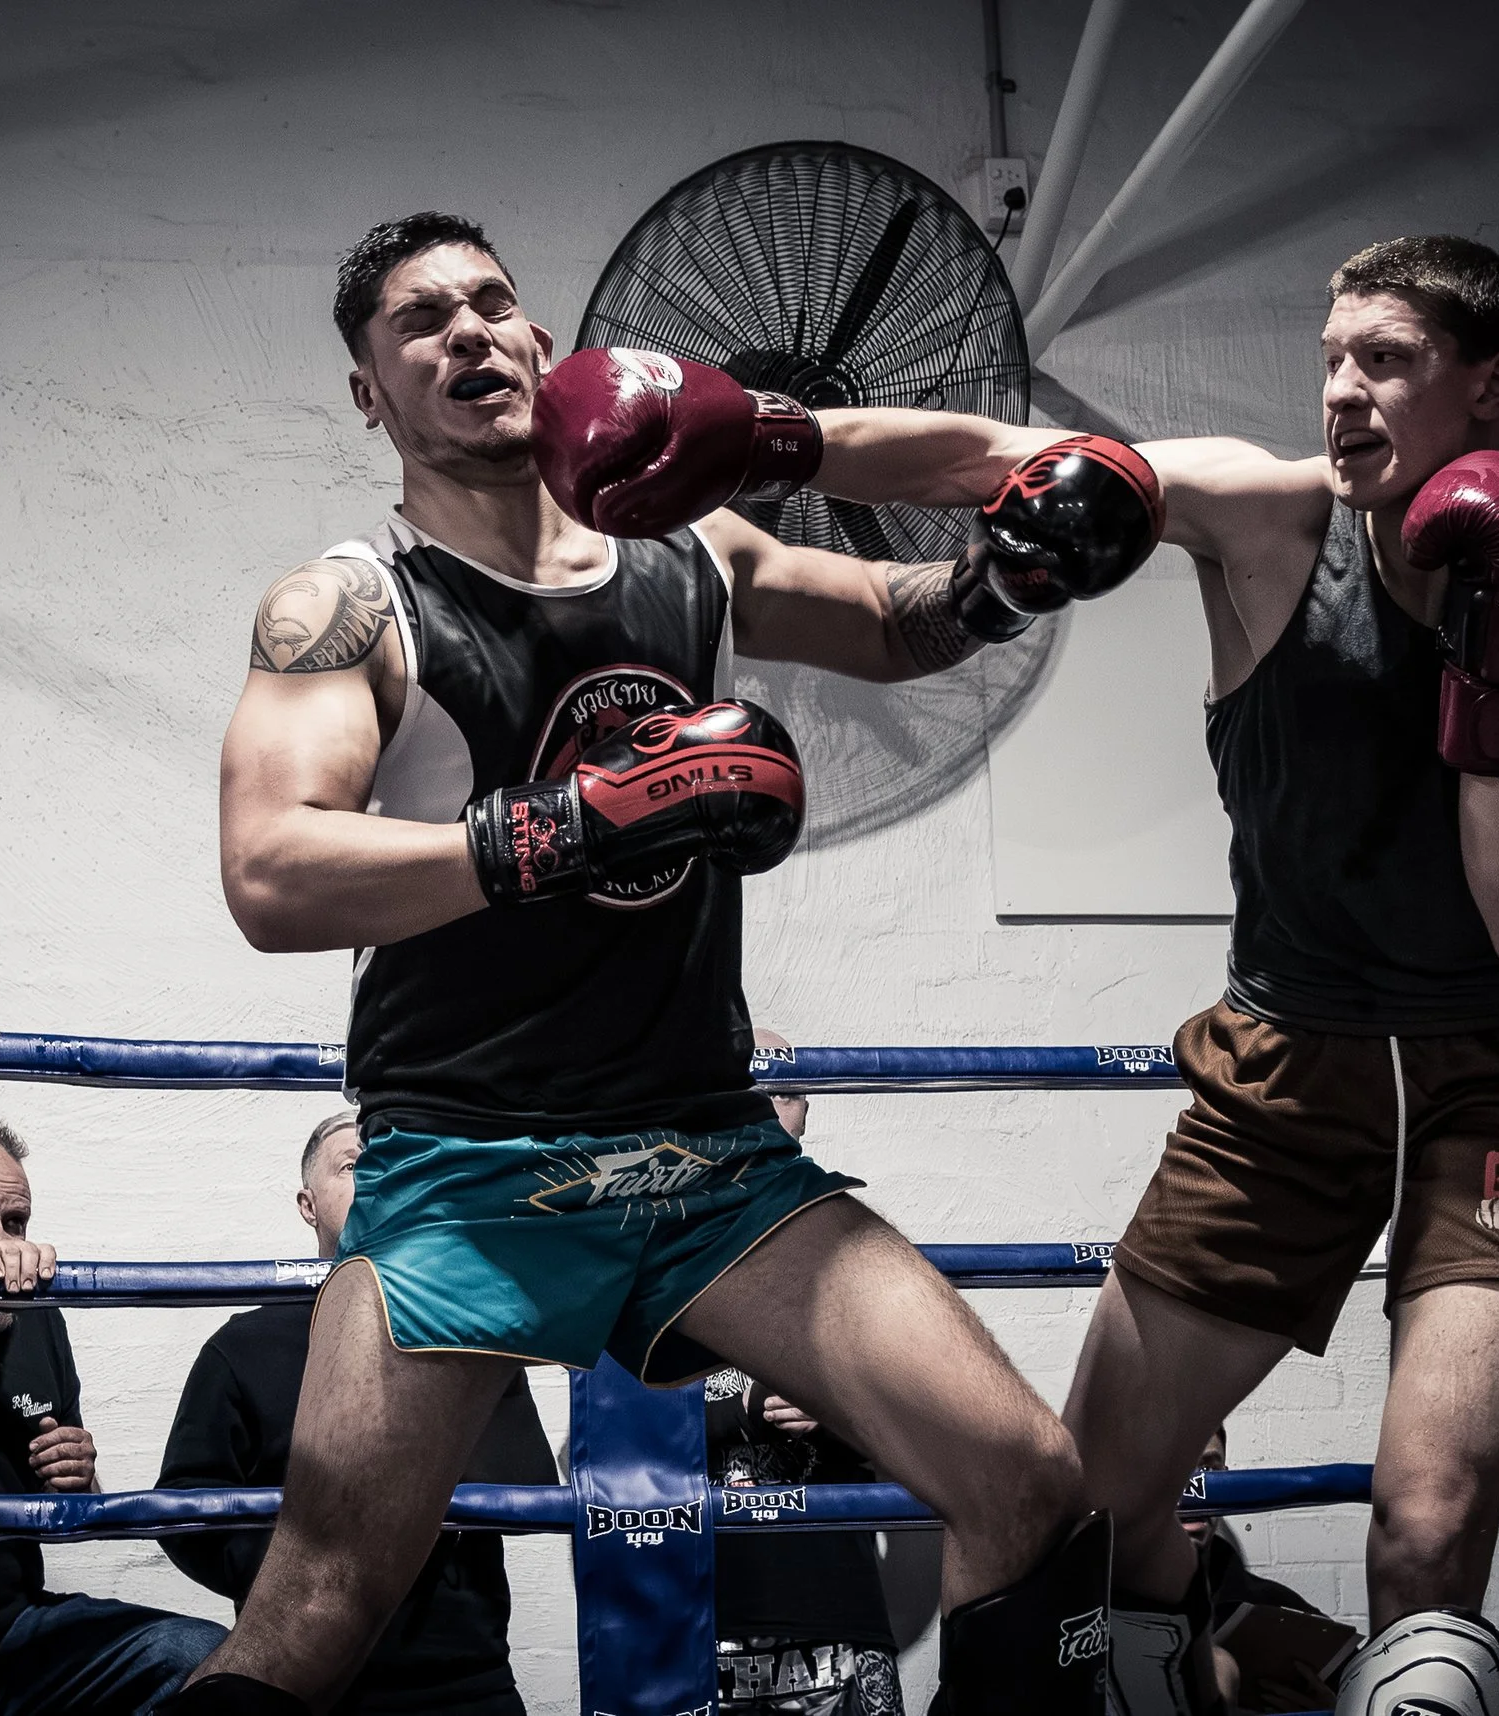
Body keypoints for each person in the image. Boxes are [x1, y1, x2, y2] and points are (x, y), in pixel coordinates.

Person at [524, 233, 1499, 1714]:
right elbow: (994, 457)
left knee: (1429, 1531)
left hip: (1497, 1074)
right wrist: (768, 433)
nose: (1339, 392)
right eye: (1330, 357)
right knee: (1101, 1524)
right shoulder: (1271, 522)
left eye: (1382, 359)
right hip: (1283, 1079)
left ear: (1491, 383)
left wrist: (1496, 677)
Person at [176, 210, 1167, 1715]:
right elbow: (272, 870)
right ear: (372, 394)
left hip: (705, 1154)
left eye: (493, 303)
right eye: (420, 321)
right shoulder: (355, 604)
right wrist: (559, 830)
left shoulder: (687, 549)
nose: (469, 332)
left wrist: (1005, 580)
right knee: (321, 1603)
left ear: (541, 341)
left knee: (1029, 1478)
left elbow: (893, 630)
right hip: (468, 1157)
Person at [158, 1111, 557, 1714]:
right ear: (307, 1203)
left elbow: (528, 1496)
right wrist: (303, 1573)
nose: (376, 1177)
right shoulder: (244, 1346)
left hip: (465, 1677)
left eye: (392, 1164)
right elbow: (185, 1509)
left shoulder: (471, 1334)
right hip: (305, 1680)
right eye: (352, 1164)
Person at [0, 1110, 228, 1716]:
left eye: (16, 1221)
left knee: (208, 1661)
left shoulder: (37, 1319)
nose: (3, 1242)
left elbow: (75, 1506)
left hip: (6, 1630)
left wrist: (80, 1476)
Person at [707, 1032, 902, 1716]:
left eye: (781, 1091)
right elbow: (619, 1413)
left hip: (835, 1612)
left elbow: (919, 1417)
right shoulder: (658, 1230)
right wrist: (745, 1400)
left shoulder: (853, 1241)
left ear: (805, 1109)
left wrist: (838, 1404)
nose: (763, 1108)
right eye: (746, 1089)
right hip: (704, 1615)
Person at [1184, 1428, 1354, 1713]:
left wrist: (1335, 1708)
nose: (1197, 1488)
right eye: (1178, 1468)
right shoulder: (1099, 1606)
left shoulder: (1279, 1609)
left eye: (1209, 1470)